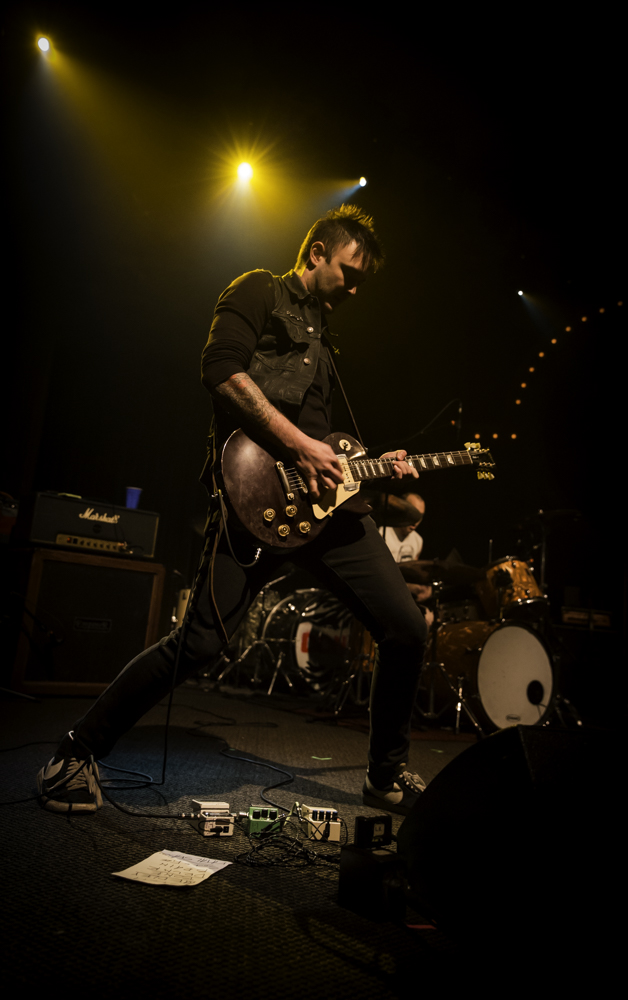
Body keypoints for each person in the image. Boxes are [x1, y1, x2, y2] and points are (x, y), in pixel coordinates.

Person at [37, 205, 429, 817]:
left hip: (329, 512)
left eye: (363, 281)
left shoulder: (327, 342)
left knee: (406, 627)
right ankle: (73, 753)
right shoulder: (259, 290)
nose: (355, 287)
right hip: (256, 497)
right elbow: (219, 370)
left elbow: (326, 439)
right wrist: (300, 447)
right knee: (195, 646)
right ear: (318, 252)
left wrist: (372, 465)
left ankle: (384, 774)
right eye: (349, 272)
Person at [380, 492, 433, 619]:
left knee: (428, 617)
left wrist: (426, 589)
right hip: (385, 600)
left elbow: (414, 572)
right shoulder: (383, 533)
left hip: (404, 600)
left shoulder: (417, 540)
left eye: (420, 516)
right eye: (413, 512)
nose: (416, 520)